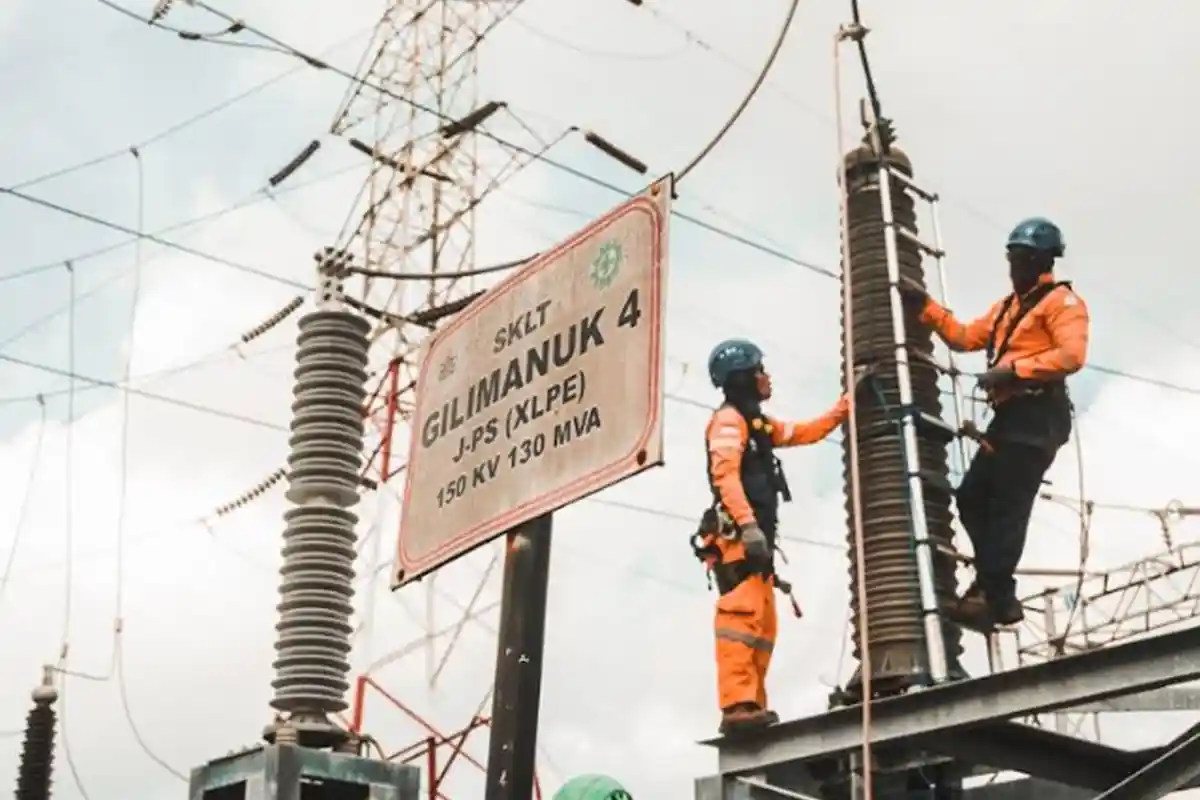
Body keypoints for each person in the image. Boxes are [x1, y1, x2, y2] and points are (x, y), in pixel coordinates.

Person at [900, 216, 1090, 630]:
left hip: (1037, 415)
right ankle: (997, 592)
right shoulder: (1007, 308)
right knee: (972, 497)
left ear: (1042, 261)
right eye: (1012, 258)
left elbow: (1071, 355)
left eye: (1022, 258)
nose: (1014, 266)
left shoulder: (1062, 303)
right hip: (1010, 417)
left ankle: (992, 593)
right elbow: (965, 337)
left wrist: (1015, 370)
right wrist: (926, 308)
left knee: (1007, 506)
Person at [695, 338, 869, 735]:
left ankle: (752, 704)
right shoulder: (728, 422)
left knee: (761, 626)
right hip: (739, 542)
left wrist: (847, 404)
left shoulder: (756, 423)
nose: (766, 377)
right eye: (759, 371)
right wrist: (748, 525)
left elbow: (804, 432)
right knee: (741, 620)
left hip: (754, 544)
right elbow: (725, 477)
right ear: (742, 377)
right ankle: (737, 706)